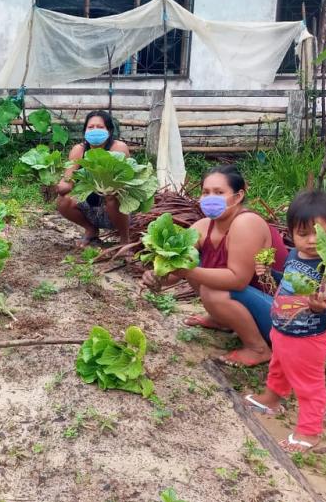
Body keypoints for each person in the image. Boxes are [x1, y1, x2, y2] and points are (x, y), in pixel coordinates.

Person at [141, 165, 288, 367]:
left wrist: (189, 271)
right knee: (192, 263)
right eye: (205, 192)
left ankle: (258, 349)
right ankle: (222, 319)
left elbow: (238, 280)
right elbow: (175, 268)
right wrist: (157, 276)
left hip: (283, 317)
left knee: (211, 288)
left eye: (219, 192)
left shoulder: (246, 223)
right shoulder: (202, 227)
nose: (211, 198)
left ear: (237, 197)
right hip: (250, 302)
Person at [244, 191, 326, 453]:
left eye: (320, 233)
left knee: (309, 384)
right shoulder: (293, 256)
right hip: (282, 330)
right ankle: (271, 399)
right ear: (291, 234)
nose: (311, 241)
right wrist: (270, 273)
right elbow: (288, 281)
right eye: (303, 234)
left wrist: (321, 308)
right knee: (278, 367)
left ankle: (309, 432)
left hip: (308, 339)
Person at [55, 110, 131, 246]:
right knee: (63, 200)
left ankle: (125, 240)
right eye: (90, 127)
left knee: (112, 196)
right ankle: (91, 230)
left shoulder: (118, 148)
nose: (95, 130)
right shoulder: (78, 150)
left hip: (117, 206)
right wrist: (56, 185)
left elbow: (122, 183)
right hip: (89, 205)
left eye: (100, 127)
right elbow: (68, 181)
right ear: (85, 131)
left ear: (109, 130)